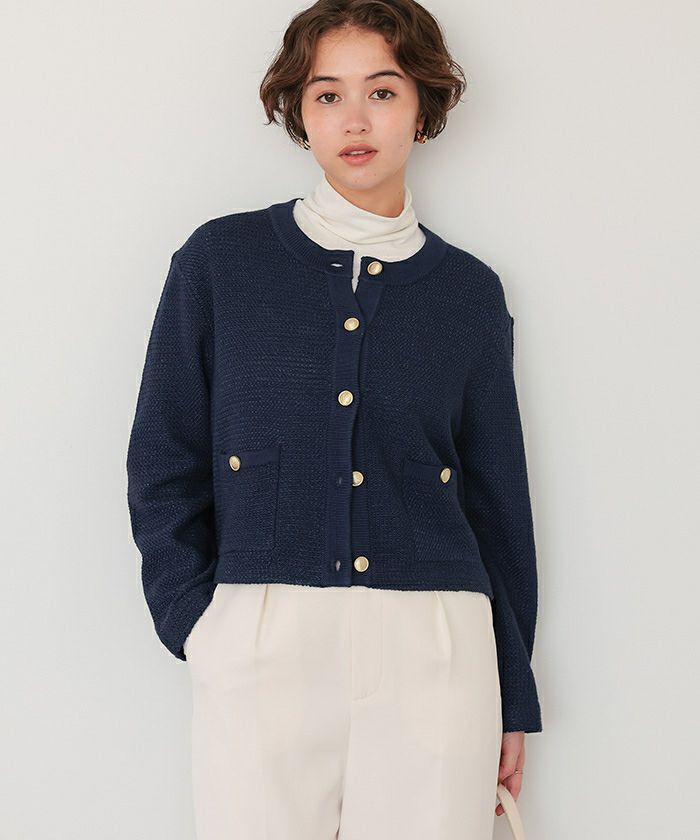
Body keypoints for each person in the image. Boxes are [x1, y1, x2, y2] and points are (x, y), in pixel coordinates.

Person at [126, 2, 543, 838]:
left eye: (382, 92)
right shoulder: (221, 263)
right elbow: (164, 458)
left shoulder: (468, 295)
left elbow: (497, 504)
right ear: (298, 112)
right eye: (327, 95)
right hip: (261, 641)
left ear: (421, 109)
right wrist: (200, 627)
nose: (355, 119)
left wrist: (511, 694)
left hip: (437, 650)